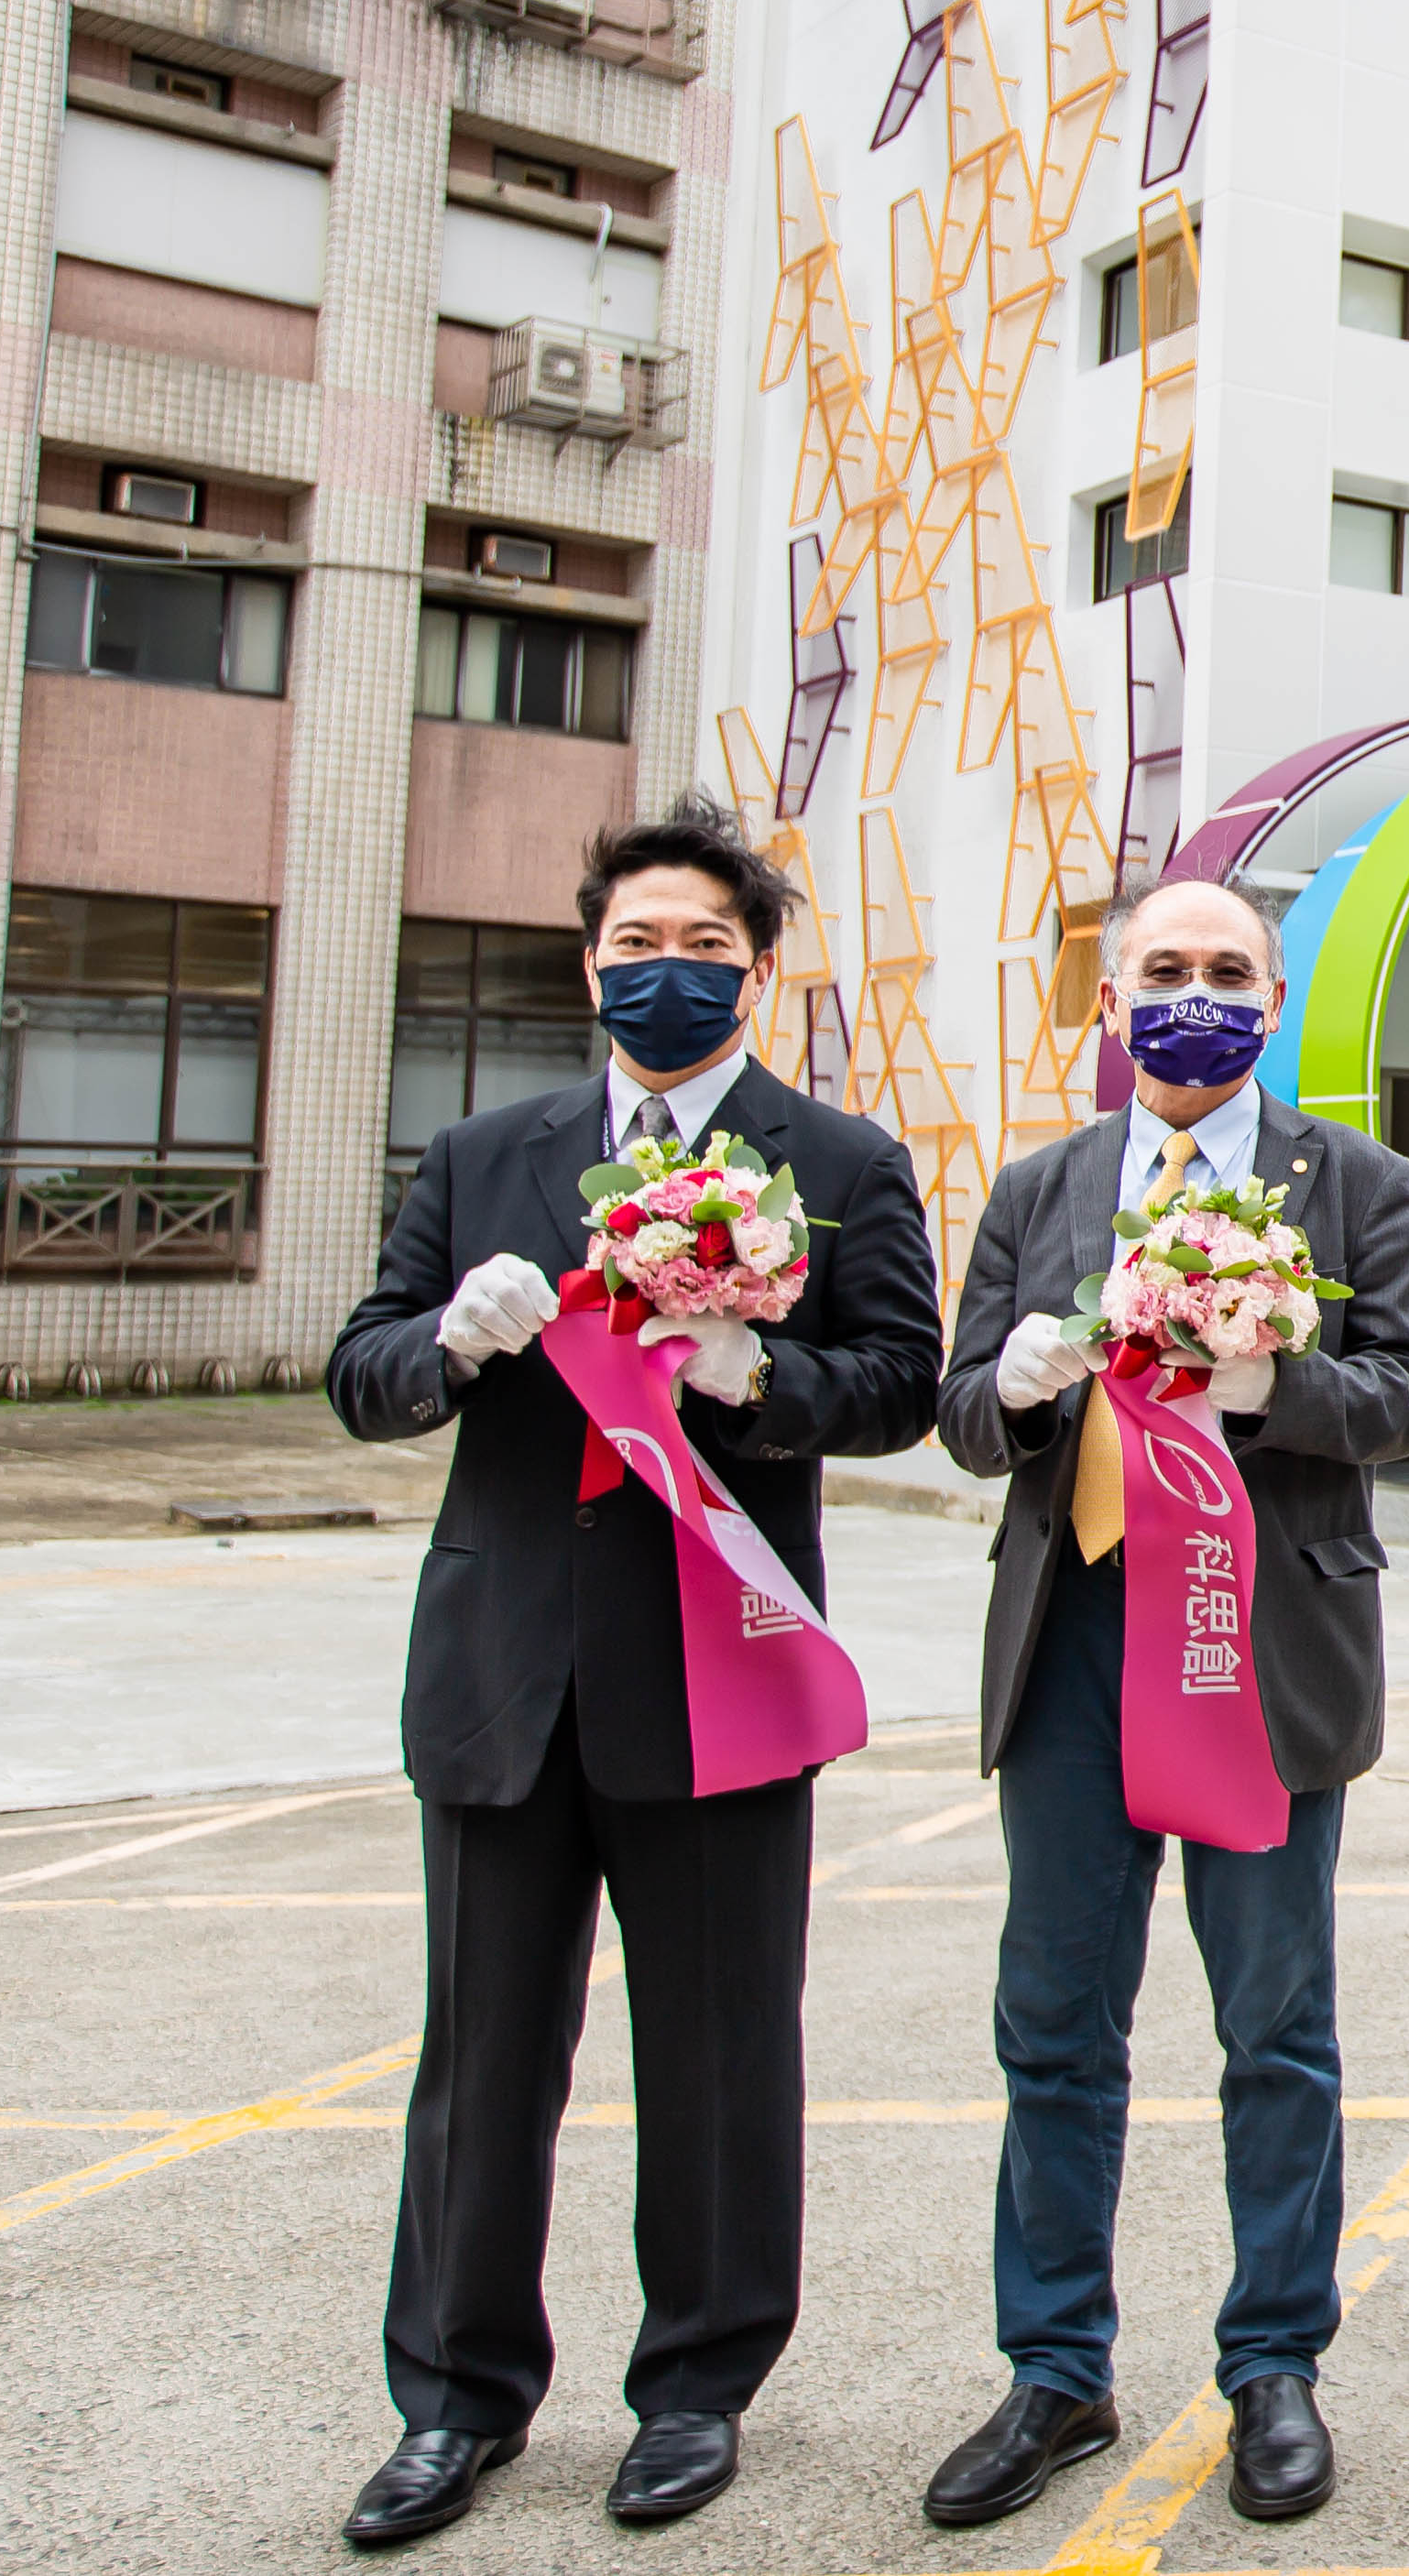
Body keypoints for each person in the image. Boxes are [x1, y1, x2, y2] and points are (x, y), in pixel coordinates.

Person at [323, 802, 939, 2549]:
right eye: (636, 944)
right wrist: (454, 1338)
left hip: (718, 1659)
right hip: (508, 1675)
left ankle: (696, 2384)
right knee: (485, 2050)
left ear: (757, 969)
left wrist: (757, 1374)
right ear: (585, 957)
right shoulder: (481, 1155)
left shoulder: (835, 1157)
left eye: (703, 948)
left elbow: (899, 1380)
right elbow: (362, 1372)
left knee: (724, 2045)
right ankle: (455, 2398)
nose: (665, 973)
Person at [914, 879, 1409, 2534]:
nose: (1196, 994)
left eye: (1229, 972)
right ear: (1110, 997)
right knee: (1056, 2024)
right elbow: (955, 1407)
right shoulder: (1041, 1186)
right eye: (1166, 970)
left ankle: (1275, 2361)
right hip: (1077, 1641)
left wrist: (1265, 1383)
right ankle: (1056, 2366)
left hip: (1262, 1657)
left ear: (1273, 996)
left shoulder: (1356, 1183)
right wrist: (1004, 1390)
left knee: (1275, 2026)